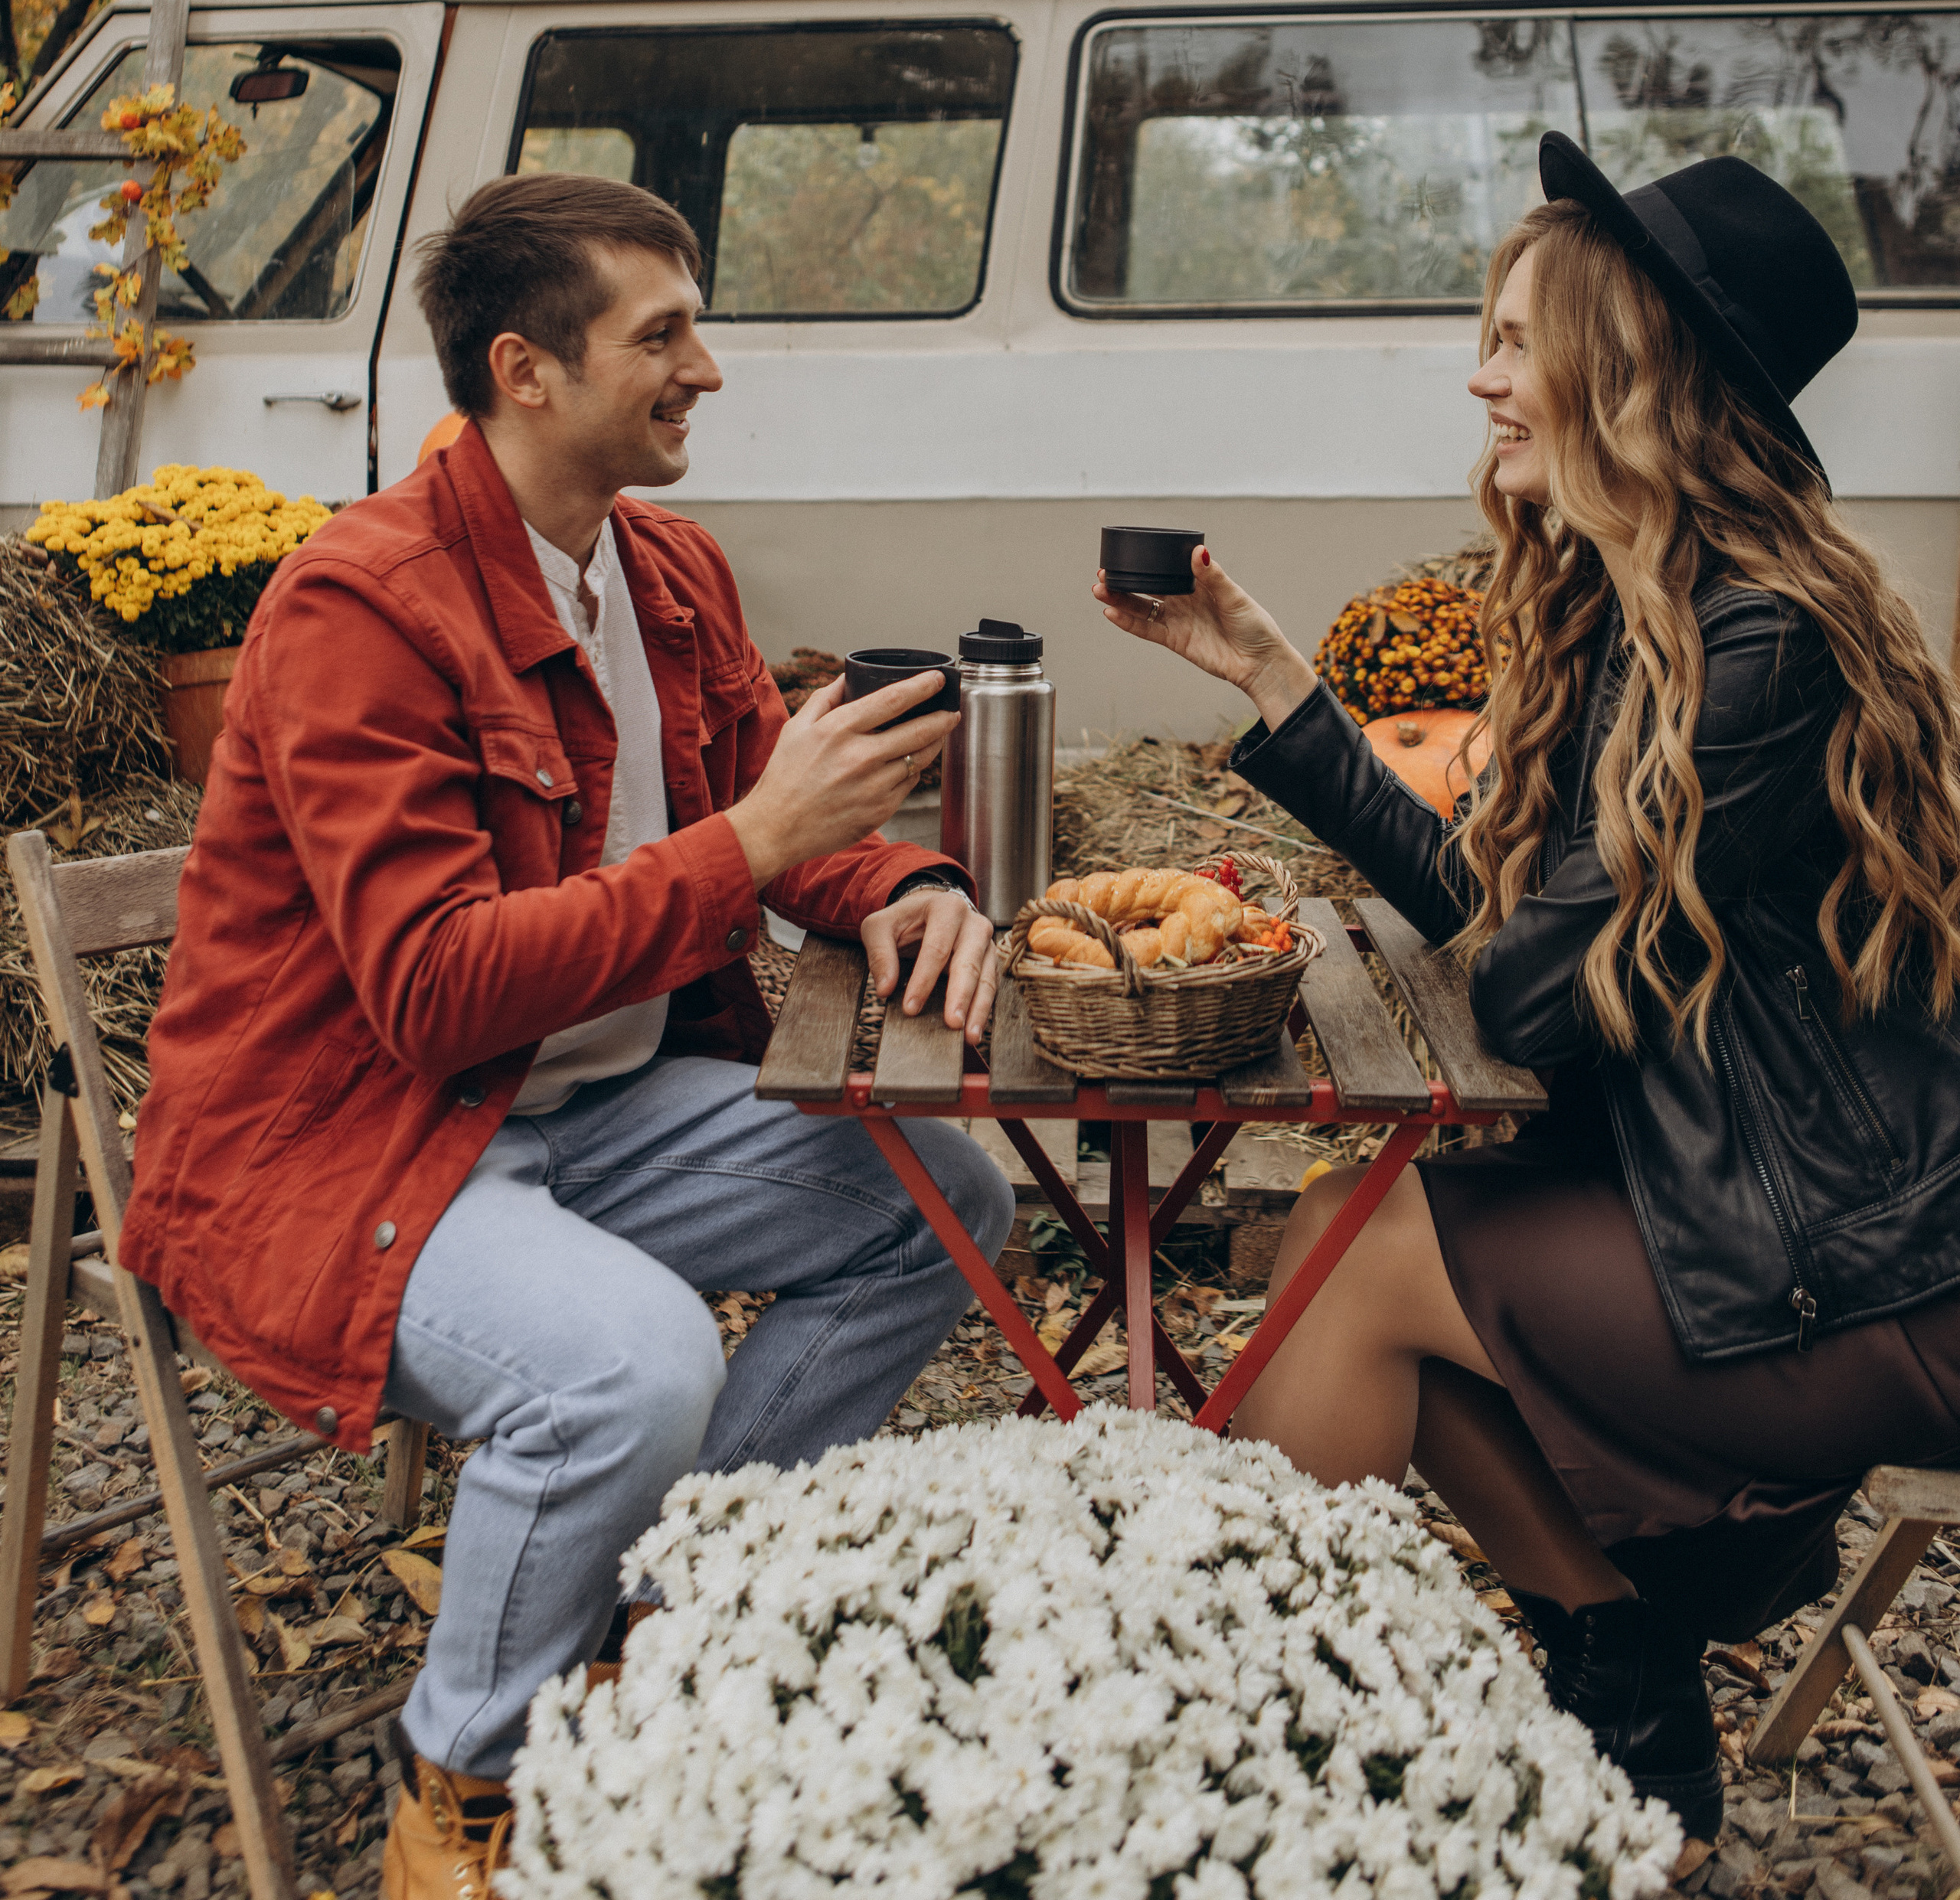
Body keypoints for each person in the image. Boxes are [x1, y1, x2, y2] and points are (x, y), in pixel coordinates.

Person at [120, 171, 1013, 1899]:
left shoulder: (663, 566)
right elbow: (436, 987)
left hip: (592, 1119)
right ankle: (460, 1773)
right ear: (525, 371)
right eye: (661, 335)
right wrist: (750, 848)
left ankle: (649, 1629)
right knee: (632, 1365)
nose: (708, 370)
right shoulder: (359, 609)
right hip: (350, 1143)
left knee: (939, 1204)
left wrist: (894, 878)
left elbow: (785, 808)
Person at [1095, 132, 1960, 1838]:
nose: (1480, 376)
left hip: (1856, 1286)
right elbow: (1519, 935)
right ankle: (1616, 1678)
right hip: (1746, 1224)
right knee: (1351, 1247)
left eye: (1513, 340)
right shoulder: (1647, 609)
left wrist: (1500, 881)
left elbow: (1527, 998)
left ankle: (1203, 1725)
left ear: (1623, 369)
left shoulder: (1760, 643)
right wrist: (1278, 688)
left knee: (1356, 1253)